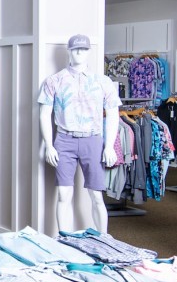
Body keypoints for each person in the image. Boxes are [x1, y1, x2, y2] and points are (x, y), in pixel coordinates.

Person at [37, 34, 120, 233]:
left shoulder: (103, 82)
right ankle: (64, 238)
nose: (79, 53)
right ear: (69, 51)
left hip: (93, 139)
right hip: (64, 140)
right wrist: (49, 145)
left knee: (97, 196)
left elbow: (113, 114)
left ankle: (104, 238)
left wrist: (109, 146)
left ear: (89, 52)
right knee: (63, 195)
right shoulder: (54, 81)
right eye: (75, 49)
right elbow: (44, 114)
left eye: (83, 49)